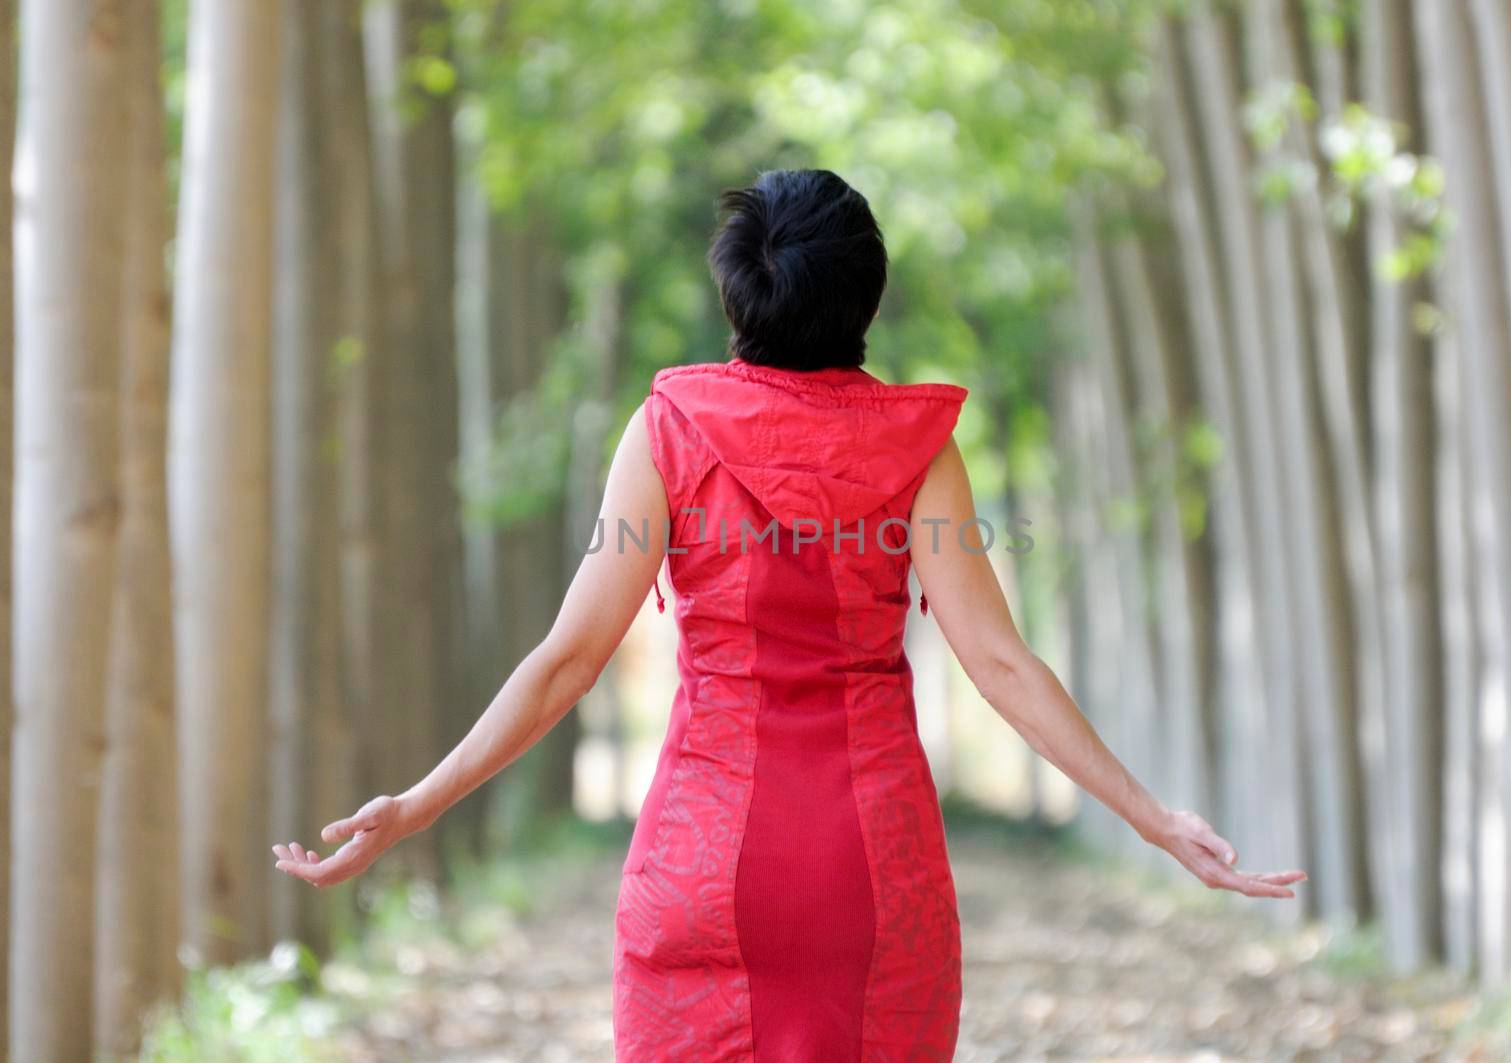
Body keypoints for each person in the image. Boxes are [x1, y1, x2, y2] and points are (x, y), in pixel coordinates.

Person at [273, 168, 1306, 1060]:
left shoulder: (667, 429)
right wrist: (1152, 817)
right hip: (872, 873)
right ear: (866, 296)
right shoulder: (919, 451)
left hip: (701, 864)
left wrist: (414, 804)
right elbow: (1001, 666)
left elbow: (567, 661)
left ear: (735, 298)